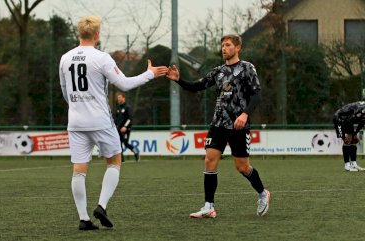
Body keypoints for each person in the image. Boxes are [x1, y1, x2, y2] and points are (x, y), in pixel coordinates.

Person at [59, 15, 168, 230]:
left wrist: (76, 108)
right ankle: (101, 205)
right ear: (97, 35)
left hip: (76, 122)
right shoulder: (101, 58)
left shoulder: (65, 58)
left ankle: (83, 219)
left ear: (80, 34)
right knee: (114, 161)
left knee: (79, 170)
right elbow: (124, 84)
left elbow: (64, 90)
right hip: (100, 120)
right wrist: (149, 74)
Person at [166, 34, 270, 218]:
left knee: (242, 167)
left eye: (228, 45)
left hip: (238, 126)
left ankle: (263, 193)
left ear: (237, 48)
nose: (224, 48)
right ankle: (209, 206)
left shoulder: (247, 68)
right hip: (218, 124)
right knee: (209, 160)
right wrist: (178, 80)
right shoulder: (218, 71)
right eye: (222, 45)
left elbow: (256, 96)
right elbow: (196, 86)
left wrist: (245, 114)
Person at [333, 101, 365, 172]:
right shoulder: (362, 110)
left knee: (354, 141)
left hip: (348, 120)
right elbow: (349, 121)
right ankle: (347, 165)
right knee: (347, 141)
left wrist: (355, 133)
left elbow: (362, 123)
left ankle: (354, 164)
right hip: (339, 118)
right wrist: (350, 134)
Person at [115, 92, 140, 162]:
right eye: (118, 98)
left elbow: (130, 118)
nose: (118, 99)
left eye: (120, 97)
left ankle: (136, 152)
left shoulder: (127, 107)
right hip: (118, 129)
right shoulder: (118, 108)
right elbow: (117, 119)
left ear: (123, 98)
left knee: (125, 143)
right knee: (119, 143)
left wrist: (125, 127)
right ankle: (122, 159)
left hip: (126, 129)